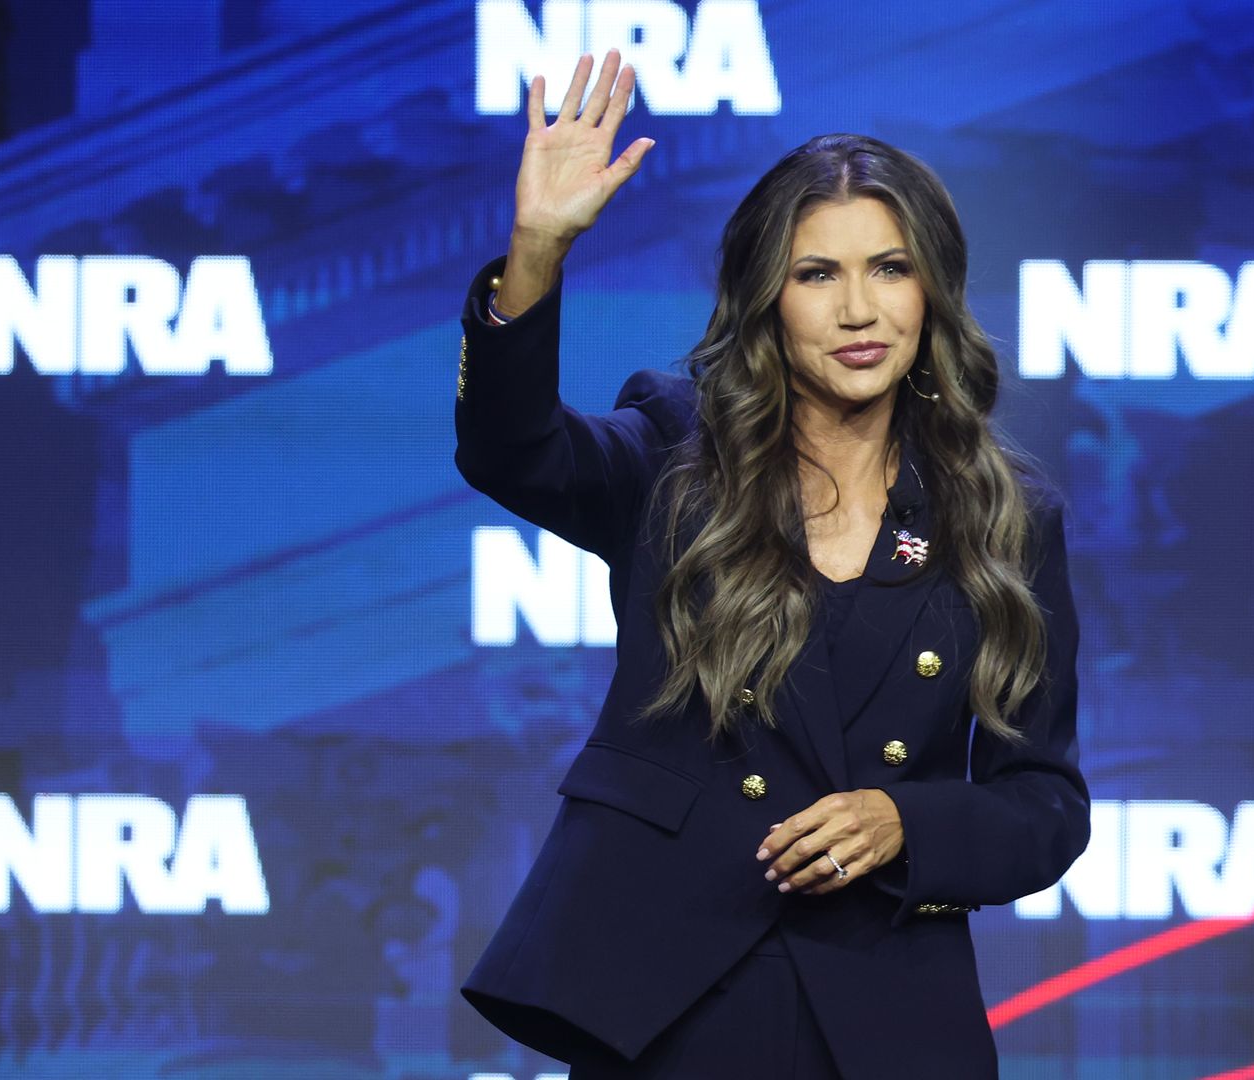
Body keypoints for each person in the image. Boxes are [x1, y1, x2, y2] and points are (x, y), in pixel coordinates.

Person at [452, 50, 1090, 1078]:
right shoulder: (671, 452)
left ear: (932, 290)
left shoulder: (1005, 521)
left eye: (890, 268)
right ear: (765, 297)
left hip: (881, 1006)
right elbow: (510, 450)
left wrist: (902, 821)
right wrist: (534, 256)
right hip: (665, 996)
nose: (858, 311)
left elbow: (1045, 807)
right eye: (815, 273)